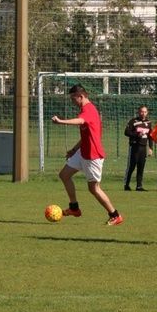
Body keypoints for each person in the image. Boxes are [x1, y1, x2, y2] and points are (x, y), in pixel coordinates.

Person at [51, 84, 123, 226]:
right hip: (83, 152)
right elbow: (86, 136)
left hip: (93, 155)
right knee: (64, 175)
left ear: (81, 96)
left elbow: (80, 121)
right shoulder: (85, 109)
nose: (73, 102)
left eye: (73, 99)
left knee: (94, 189)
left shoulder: (88, 110)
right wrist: (73, 150)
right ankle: (74, 208)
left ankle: (115, 215)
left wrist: (61, 121)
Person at [123, 106, 153, 191]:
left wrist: (151, 148)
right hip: (134, 146)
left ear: (147, 113)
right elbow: (126, 132)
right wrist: (136, 135)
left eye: (145, 112)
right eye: (141, 112)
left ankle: (139, 186)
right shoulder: (133, 121)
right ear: (138, 112)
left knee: (141, 166)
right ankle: (126, 184)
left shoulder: (148, 123)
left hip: (143, 147)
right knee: (131, 166)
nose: (143, 113)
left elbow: (150, 136)